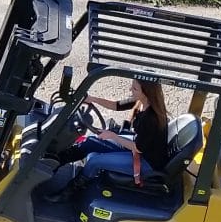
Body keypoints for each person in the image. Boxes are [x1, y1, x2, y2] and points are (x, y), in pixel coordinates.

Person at [41, 78, 172, 195]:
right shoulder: (141, 101)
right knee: (91, 141)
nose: (130, 89)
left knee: (94, 161)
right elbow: (116, 105)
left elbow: (138, 148)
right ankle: (51, 164)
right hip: (139, 146)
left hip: (146, 161)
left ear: (146, 92)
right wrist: (92, 99)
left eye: (135, 88)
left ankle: (69, 192)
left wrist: (113, 136)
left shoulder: (151, 118)